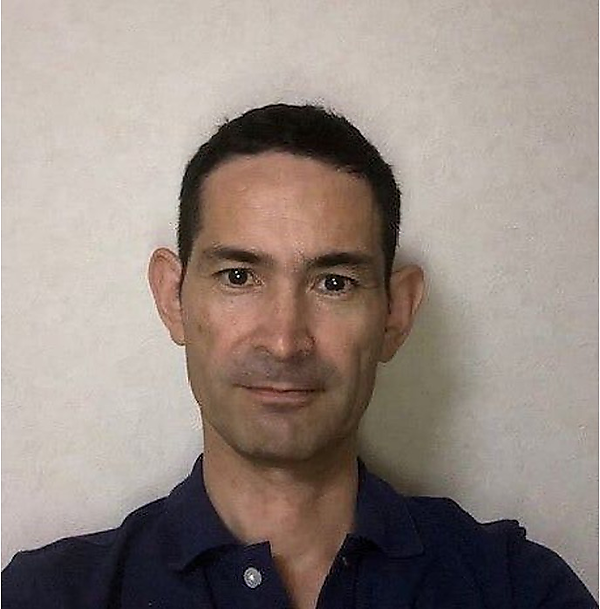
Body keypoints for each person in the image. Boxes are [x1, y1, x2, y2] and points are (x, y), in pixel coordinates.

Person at [2, 103, 596, 608]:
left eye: (334, 283)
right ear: (173, 298)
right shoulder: (46, 596)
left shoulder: (518, 589)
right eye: (239, 276)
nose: (285, 342)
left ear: (396, 313)